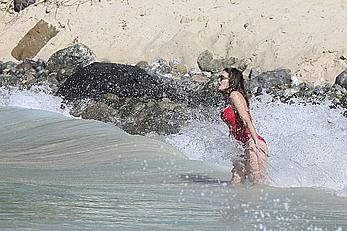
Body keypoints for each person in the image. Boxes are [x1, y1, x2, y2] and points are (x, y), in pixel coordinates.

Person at [219, 67, 269, 184]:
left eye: (222, 78)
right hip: (242, 145)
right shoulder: (230, 98)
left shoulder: (234, 95)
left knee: (257, 183)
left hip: (252, 143)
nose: (219, 81)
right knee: (236, 180)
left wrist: (255, 142)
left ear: (232, 81)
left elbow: (246, 120)